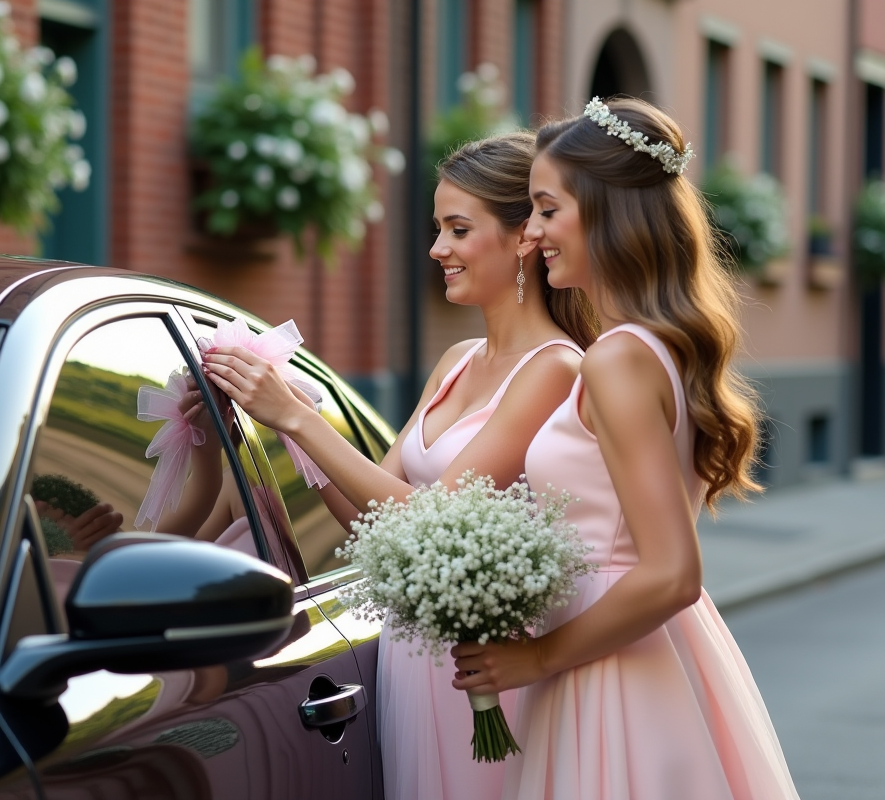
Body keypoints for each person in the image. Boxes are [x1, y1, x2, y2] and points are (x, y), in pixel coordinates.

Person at [202, 131, 599, 800]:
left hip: (485, 670)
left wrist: (302, 421)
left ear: (524, 238)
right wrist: (292, 425)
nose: (437, 249)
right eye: (437, 227)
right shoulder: (456, 363)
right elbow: (371, 516)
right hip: (415, 656)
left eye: (457, 228)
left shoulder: (555, 369)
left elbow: (434, 519)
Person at [449, 98, 800, 800]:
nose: (535, 233)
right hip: (631, 653)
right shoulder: (656, 347)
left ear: (606, 211)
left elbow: (672, 572)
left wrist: (535, 656)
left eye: (548, 210)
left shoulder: (617, 360)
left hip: (606, 671)